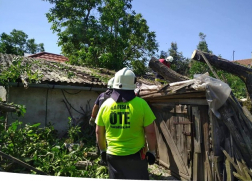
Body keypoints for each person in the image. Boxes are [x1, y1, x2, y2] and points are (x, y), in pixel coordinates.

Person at [95, 67, 157, 179]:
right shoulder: (142, 104)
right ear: (133, 84)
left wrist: (103, 150)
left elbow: (99, 132)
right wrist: (152, 152)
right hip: (137, 157)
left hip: (113, 156)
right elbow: (151, 132)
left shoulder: (105, 105)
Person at [89, 77, 114, 156]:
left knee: (99, 135)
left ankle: (99, 152)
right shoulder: (116, 97)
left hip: (100, 120)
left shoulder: (101, 95)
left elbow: (95, 107)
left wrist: (93, 117)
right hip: (112, 121)